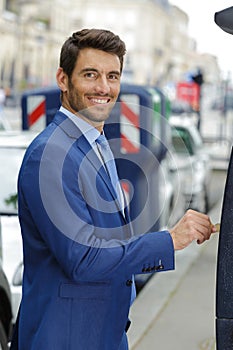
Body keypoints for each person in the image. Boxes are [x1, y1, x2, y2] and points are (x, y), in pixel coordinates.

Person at [15, 29, 216, 350]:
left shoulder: (96, 143)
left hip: (101, 333)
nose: (103, 88)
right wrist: (169, 241)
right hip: (67, 338)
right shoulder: (50, 155)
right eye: (90, 75)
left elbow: (111, 238)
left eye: (113, 76)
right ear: (63, 79)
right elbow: (83, 259)